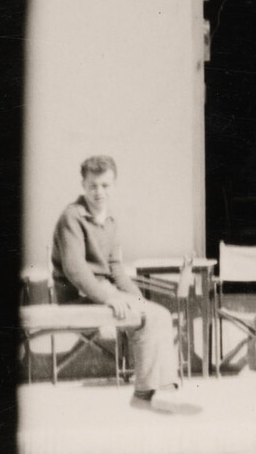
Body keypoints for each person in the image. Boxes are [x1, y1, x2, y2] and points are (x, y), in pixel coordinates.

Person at [51, 155, 198, 415]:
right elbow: (75, 269)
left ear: (114, 186)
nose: (99, 192)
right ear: (83, 185)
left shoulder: (110, 221)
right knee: (147, 317)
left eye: (105, 186)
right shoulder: (71, 217)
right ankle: (144, 394)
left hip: (105, 290)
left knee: (159, 314)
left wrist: (138, 299)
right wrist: (108, 297)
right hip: (80, 293)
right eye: (93, 185)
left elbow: (116, 268)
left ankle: (163, 391)